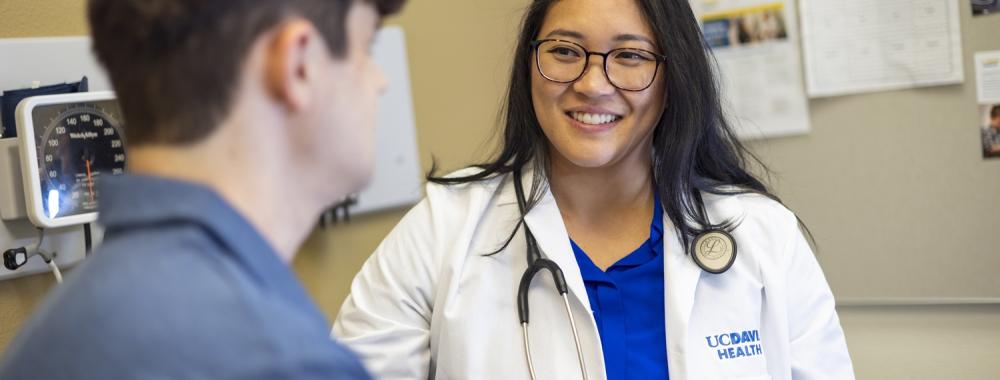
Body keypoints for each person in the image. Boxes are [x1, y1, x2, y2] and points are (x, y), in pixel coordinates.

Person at [333, 0, 854, 379]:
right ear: (529, 64)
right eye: (564, 50)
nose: (592, 83)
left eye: (629, 57)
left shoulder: (764, 238)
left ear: (674, 77)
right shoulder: (442, 231)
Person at [0, 0, 404, 378]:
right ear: (300, 65)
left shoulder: (44, 339)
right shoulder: (288, 361)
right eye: (367, 45)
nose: (380, 80)